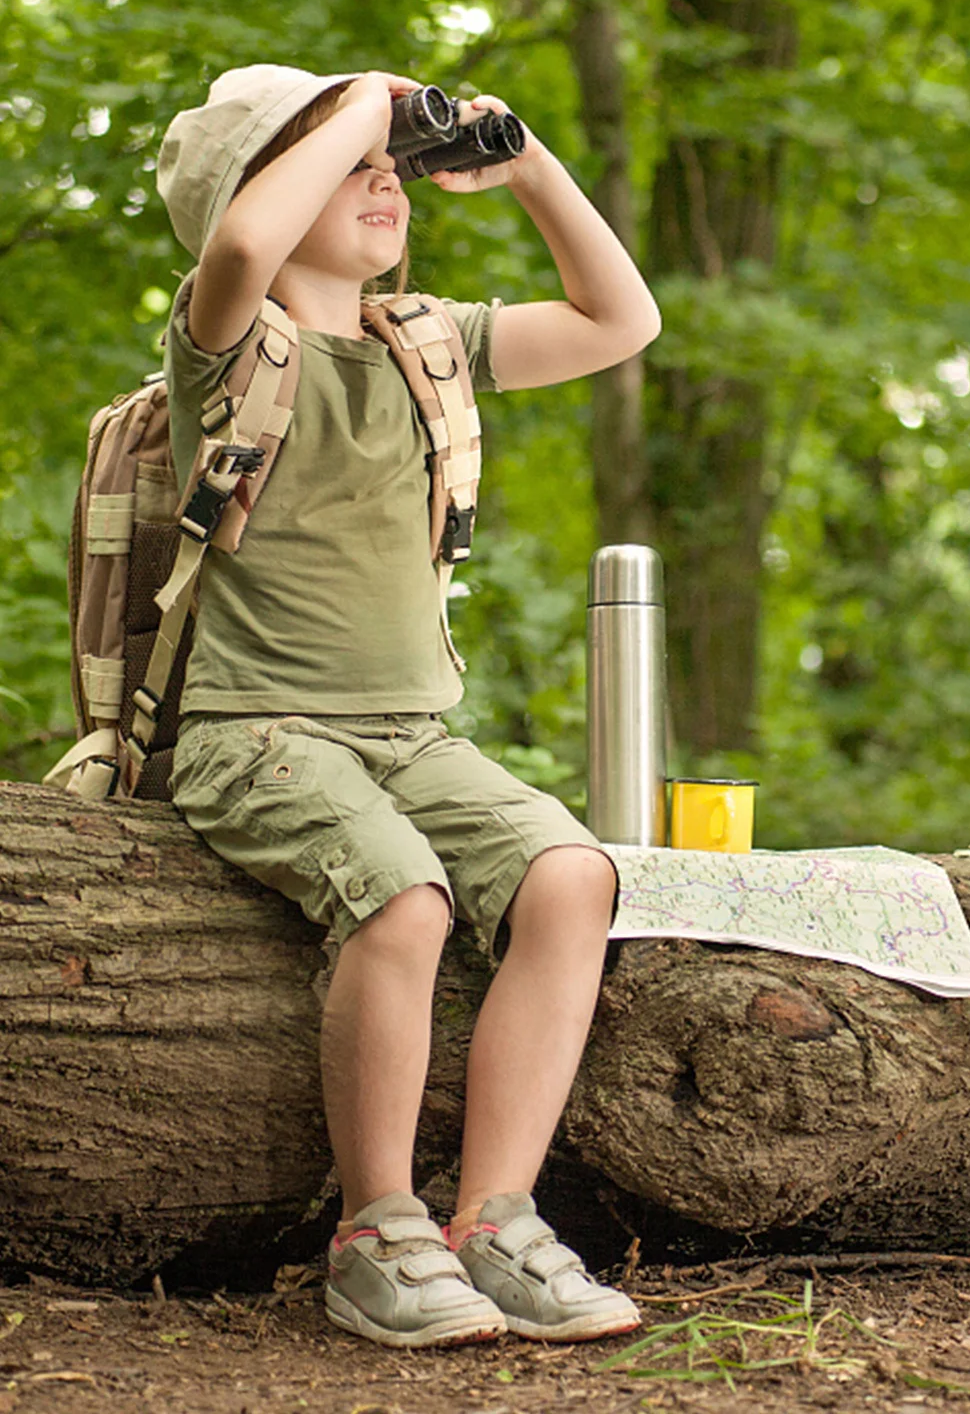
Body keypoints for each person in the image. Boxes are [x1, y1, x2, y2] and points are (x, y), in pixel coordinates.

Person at [154, 65, 661, 1349]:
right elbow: (249, 241)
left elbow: (620, 321)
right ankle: (379, 1226)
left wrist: (529, 165)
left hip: (411, 736)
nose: (385, 174)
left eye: (392, 162)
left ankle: (496, 1217)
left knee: (567, 875)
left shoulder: (426, 340)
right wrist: (357, 113)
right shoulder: (225, 346)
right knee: (403, 892)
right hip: (254, 731)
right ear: (270, 179)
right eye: (349, 162)